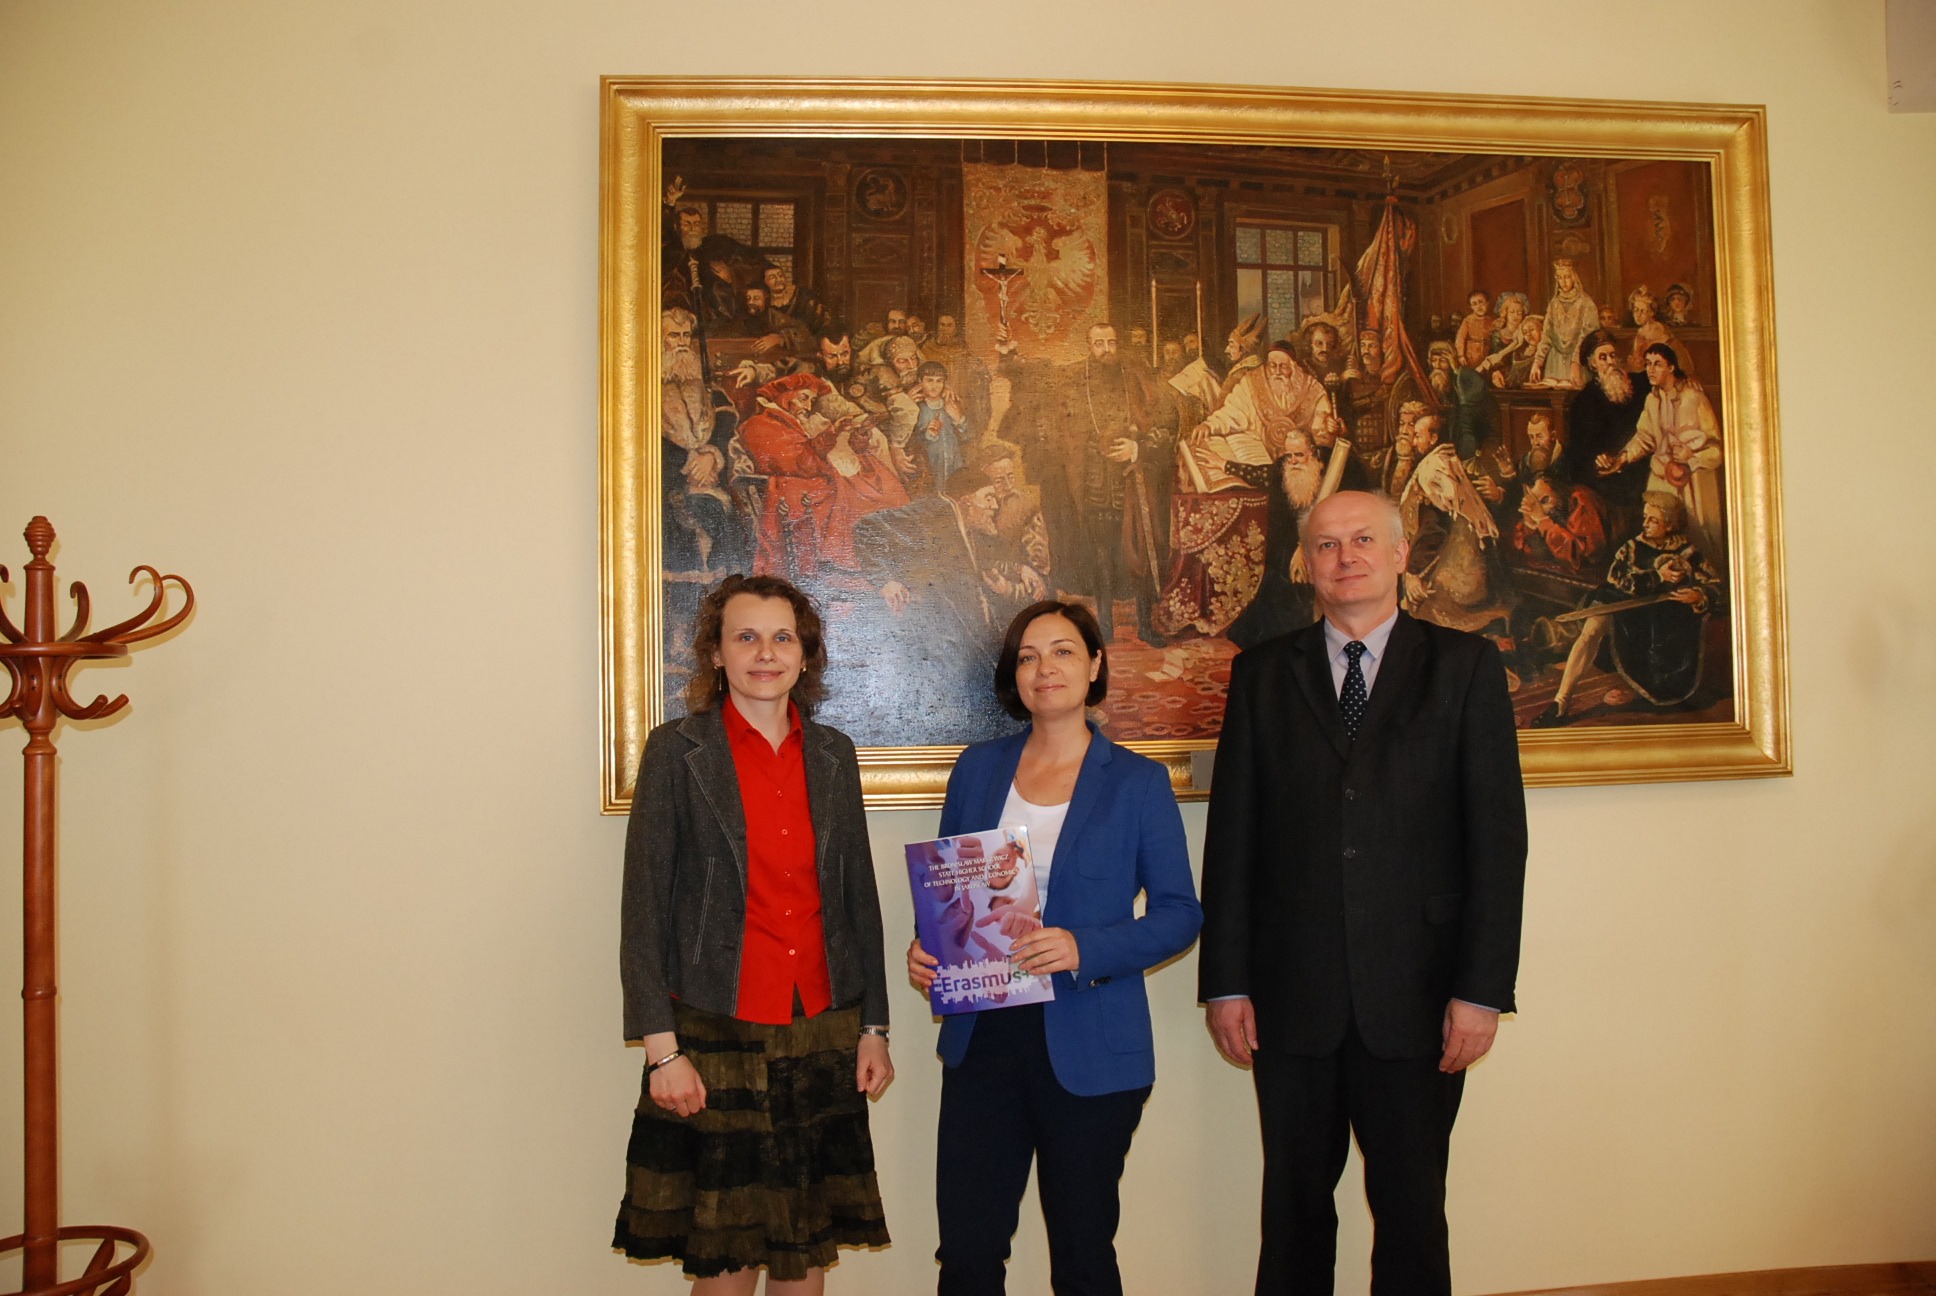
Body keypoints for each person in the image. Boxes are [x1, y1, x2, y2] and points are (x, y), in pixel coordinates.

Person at [1198, 490, 1526, 1296]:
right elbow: (1233, 839)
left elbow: (1497, 844)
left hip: (1420, 998)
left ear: (1401, 554)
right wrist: (1226, 983)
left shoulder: (1465, 668)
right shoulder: (1261, 675)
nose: (1345, 557)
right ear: (1306, 564)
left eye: (1363, 540)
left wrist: (1481, 992)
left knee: (1412, 1215)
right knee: (1294, 1213)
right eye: (1326, 545)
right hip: (1291, 999)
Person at [908, 599, 1203, 1296]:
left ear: (1095, 665)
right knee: (969, 1255)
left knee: (1082, 1255)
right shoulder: (977, 770)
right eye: (1029, 656)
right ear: (1016, 675)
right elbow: (949, 894)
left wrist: (1083, 947)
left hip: (1090, 1042)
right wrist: (930, 949)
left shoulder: (1137, 782)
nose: (1046, 668)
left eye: (1064, 651)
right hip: (984, 1040)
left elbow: (1180, 915)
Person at [616, 574, 894, 1292]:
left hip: (822, 1024)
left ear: (804, 654)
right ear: (716, 653)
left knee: (806, 1250)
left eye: (782, 637)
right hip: (715, 1027)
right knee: (727, 1256)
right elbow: (643, 906)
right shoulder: (677, 751)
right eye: (746, 637)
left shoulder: (833, 753)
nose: (765, 653)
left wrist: (874, 1028)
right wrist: (661, 1050)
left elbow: (858, 899)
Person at [1597, 343, 1725, 562]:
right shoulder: (1652, 400)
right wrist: (1622, 458)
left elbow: (1716, 449)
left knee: (1697, 541)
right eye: (1648, 364)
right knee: (1659, 538)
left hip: (1693, 485)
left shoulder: (1694, 398)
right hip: (1662, 480)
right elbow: (1644, 438)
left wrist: (1691, 458)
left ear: (1672, 367)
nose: (1650, 370)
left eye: (1657, 364)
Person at [1526, 258, 1598, 387]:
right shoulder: (1554, 303)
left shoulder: (1586, 303)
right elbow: (1546, 335)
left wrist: (1576, 362)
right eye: (1560, 278)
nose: (1563, 282)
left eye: (1567, 277)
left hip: (1578, 361)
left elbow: (1588, 336)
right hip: (1555, 362)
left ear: (1574, 277)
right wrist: (1537, 362)